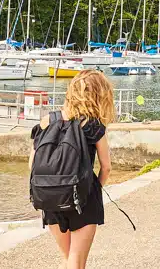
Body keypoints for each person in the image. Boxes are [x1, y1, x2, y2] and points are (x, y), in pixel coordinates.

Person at [30, 70, 115, 269]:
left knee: (67, 257)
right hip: (82, 199)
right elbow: (106, 167)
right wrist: (94, 190)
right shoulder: (93, 126)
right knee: (76, 261)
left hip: (49, 196)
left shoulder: (46, 121)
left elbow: (32, 164)